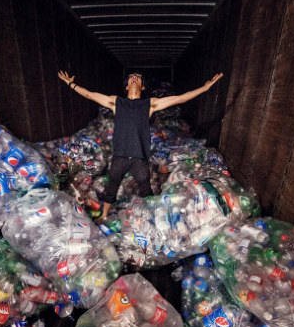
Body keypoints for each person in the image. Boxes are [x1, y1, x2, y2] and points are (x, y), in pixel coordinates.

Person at [57, 70, 224, 222]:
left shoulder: (149, 104)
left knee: (146, 189)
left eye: (137, 77)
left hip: (139, 157)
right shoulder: (117, 102)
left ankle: (153, 216)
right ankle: (104, 214)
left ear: (142, 86)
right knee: (112, 186)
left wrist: (205, 87)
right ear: (127, 85)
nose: (134, 78)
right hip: (120, 156)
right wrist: (70, 83)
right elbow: (89, 95)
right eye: (131, 77)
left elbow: (180, 98)